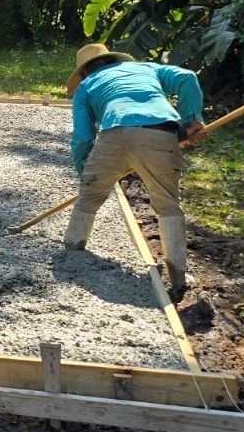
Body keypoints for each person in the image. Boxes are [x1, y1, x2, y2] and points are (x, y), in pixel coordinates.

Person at [64, 43, 208, 299]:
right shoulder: (145, 68)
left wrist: (85, 174)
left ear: (84, 72)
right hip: (161, 133)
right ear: (113, 59)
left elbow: (82, 138)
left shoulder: (86, 86)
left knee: (89, 198)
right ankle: (177, 280)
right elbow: (187, 77)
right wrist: (190, 123)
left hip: (114, 134)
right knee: (168, 205)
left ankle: (72, 252)